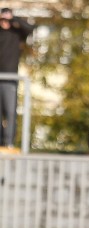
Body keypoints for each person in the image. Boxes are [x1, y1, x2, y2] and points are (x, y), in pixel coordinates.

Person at [0, 7, 34, 148]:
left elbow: (30, 29)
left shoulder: (16, 33)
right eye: (3, 19)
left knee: (10, 112)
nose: (5, 22)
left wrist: (13, 19)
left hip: (10, 78)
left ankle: (9, 142)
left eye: (7, 20)